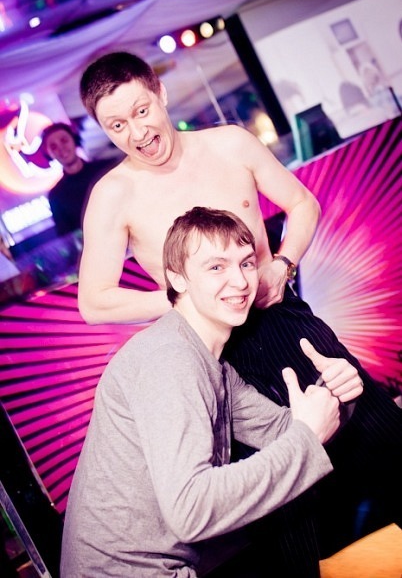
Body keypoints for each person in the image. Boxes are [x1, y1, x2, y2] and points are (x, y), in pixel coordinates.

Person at [77, 52, 402, 575]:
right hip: (223, 360)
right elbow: (94, 301)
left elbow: (303, 205)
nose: (136, 132)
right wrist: (189, 299)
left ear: (160, 94)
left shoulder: (230, 143)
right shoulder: (113, 194)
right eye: (116, 125)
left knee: (381, 438)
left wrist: (281, 265)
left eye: (141, 111)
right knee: (290, 516)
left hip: (287, 323)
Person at [60, 206, 350, 577]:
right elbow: (192, 510)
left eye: (246, 263)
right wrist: (306, 437)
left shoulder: (211, 364)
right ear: (177, 279)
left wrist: (336, 392)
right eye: (216, 267)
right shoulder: (170, 360)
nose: (240, 281)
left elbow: (284, 430)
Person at [40, 122, 120, 236]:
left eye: (64, 140)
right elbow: (67, 235)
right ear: (49, 154)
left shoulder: (107, 169)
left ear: (74, 140)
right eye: (53, 147)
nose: (61, 148)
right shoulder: (56, 196)